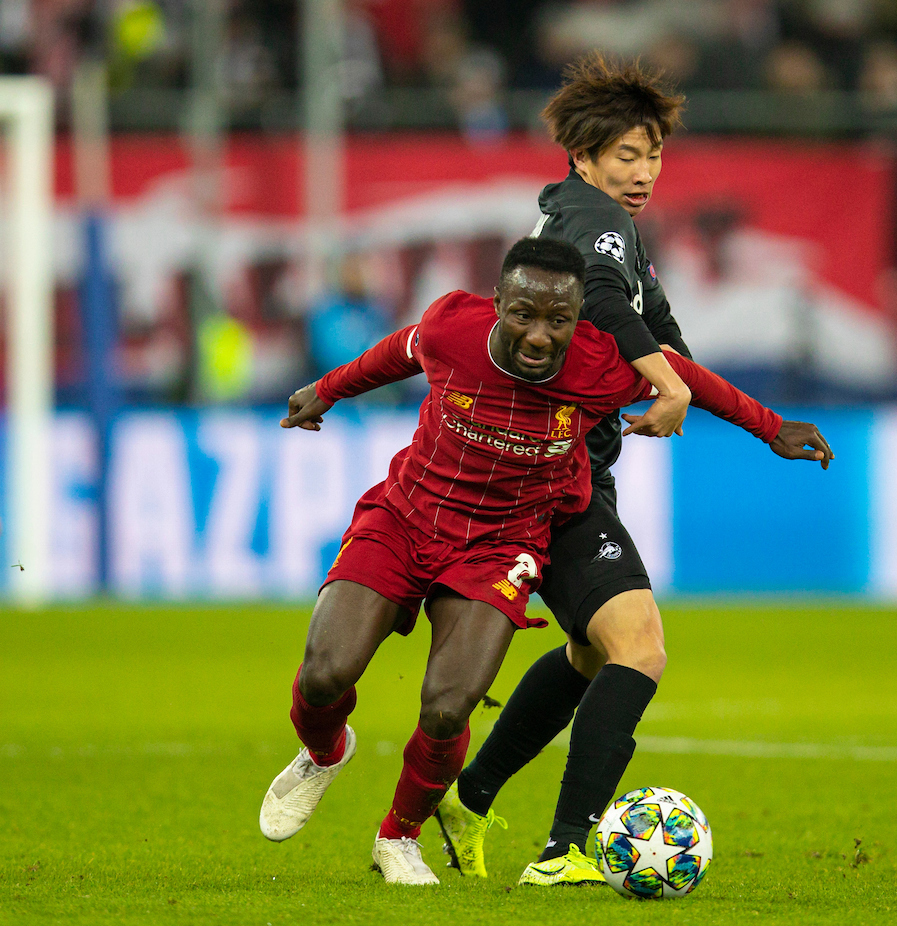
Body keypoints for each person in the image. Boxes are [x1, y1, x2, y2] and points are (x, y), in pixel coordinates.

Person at [257, 237, 828, 885]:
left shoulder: (600, 364)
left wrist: (772, 427)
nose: (539, 334)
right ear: (497, 302)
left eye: (559, 320)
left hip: (501, 544)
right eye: (523, 313)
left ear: (579, 318)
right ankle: (323, 752)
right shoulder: (453, 326)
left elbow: (683, 374)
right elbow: (397, 351)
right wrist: (326, 390)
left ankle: (399, 838)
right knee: (324, 675)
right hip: (406, 516)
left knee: (448, 709)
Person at [435, 54, 834, 886]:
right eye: (627, 155)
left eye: (653, 155)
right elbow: (614, 310)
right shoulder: (596, 224)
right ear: (583, 157)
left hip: (558, 474)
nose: (645, 172)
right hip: (555, 477)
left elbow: (671, 345)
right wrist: (664, 382)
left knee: (590, 656)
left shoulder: (587, 221)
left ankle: (467, 797)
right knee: (639, 648)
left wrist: (747, 416)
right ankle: (564, 851)